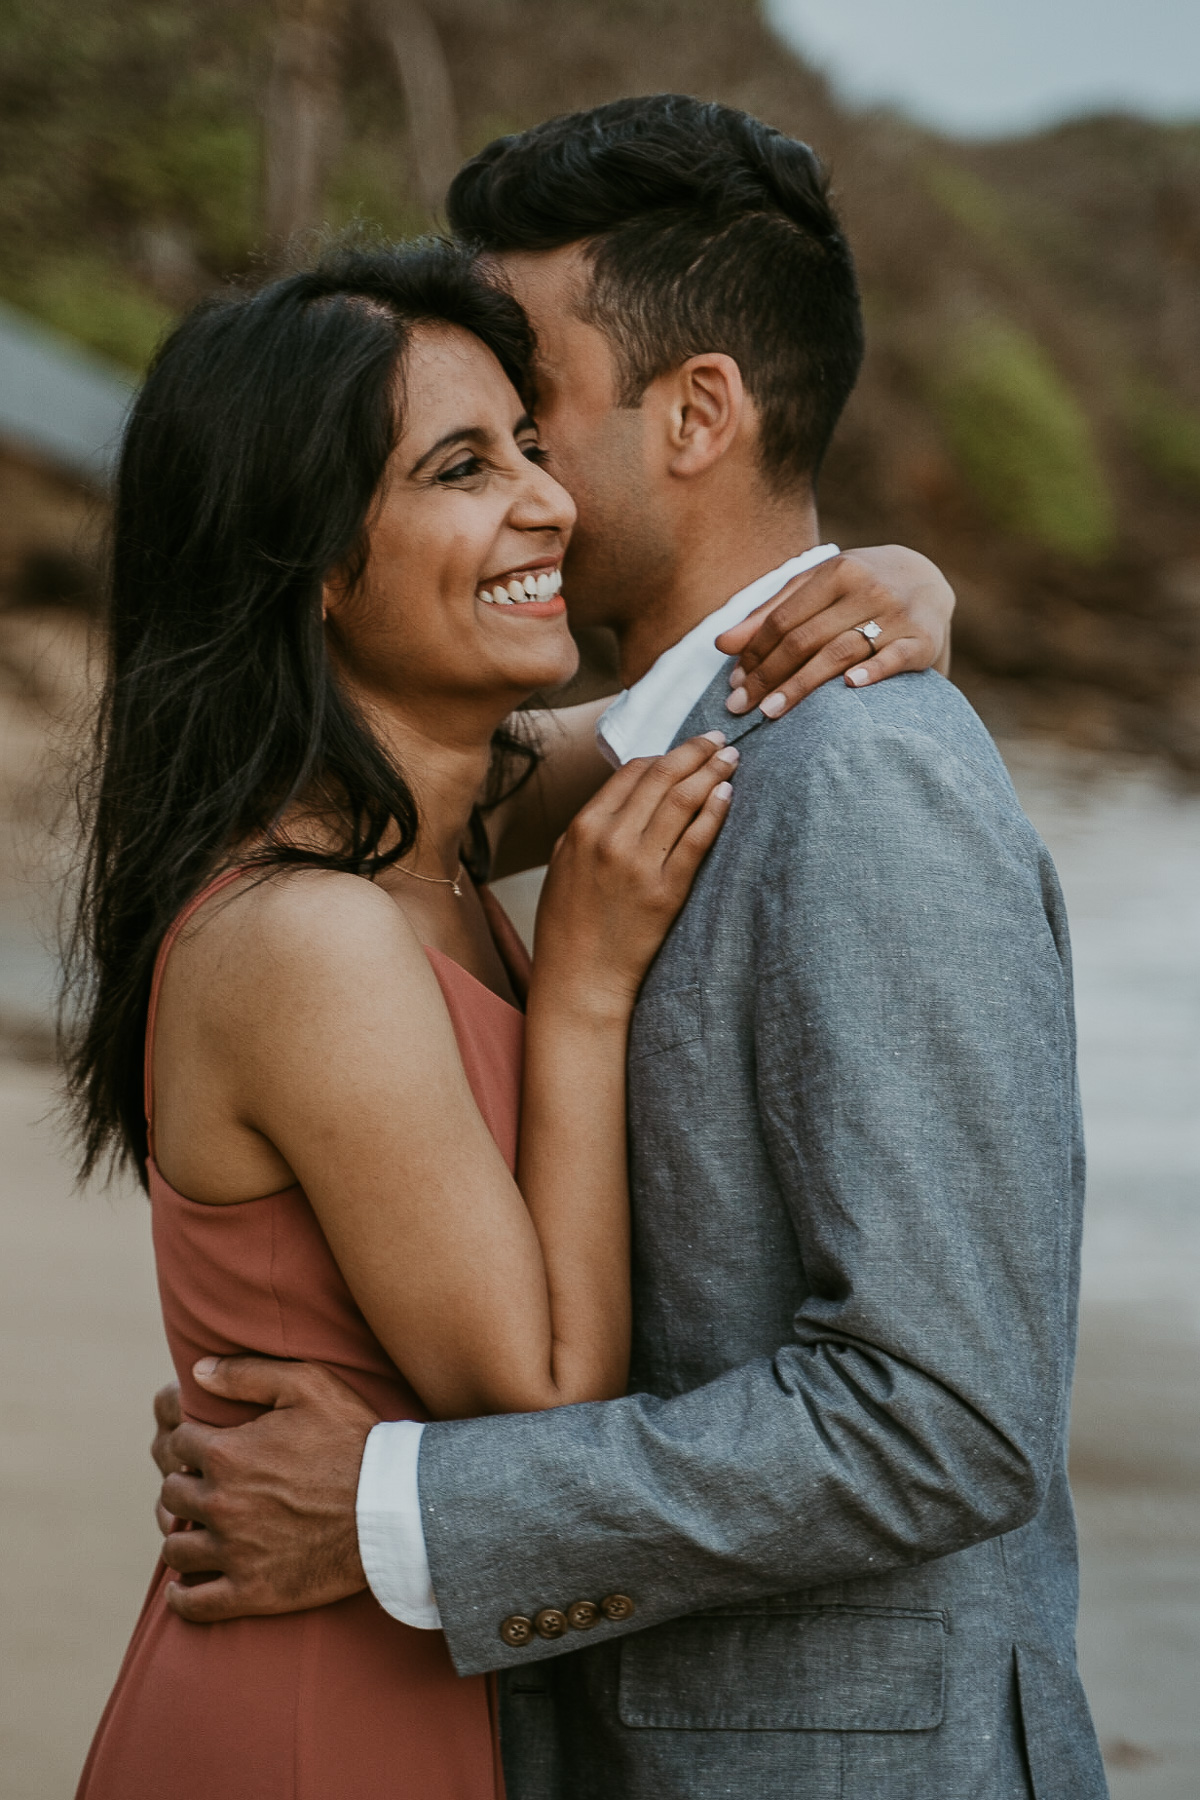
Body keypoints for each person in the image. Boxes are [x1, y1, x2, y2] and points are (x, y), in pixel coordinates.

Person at [148, 96, 1108, 1800]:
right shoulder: (521, 796)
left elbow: (950, 1419)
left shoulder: (864, 784)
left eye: (535, 421)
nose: (527, 486)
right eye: (471, 451)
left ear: (701, 413)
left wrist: (395, 1508)